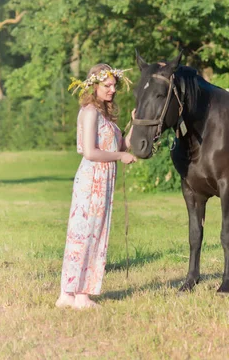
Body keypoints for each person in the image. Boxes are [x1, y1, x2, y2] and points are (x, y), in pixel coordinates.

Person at [55, 63, 137, 309]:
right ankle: (77, 294)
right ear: (94, 85)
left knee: (93, 233)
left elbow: (121, 147)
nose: (112, 89)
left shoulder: (105, 115)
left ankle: (71, 293)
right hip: (92, 179)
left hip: (104, 179)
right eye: (107, 85)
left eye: (114, 85)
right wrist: (120, 158)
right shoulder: (89, 111)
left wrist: (134, 124)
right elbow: (90, 152)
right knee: (84, 233)